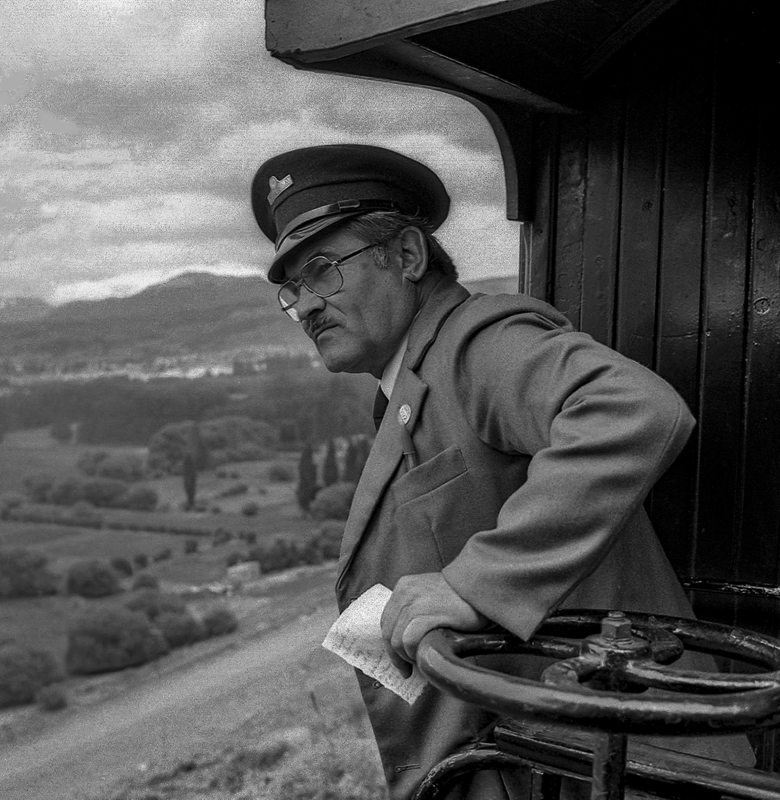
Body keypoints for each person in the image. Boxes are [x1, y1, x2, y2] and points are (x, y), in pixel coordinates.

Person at [250, 144, 753, 799]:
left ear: (407, 255)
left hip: (625, 763)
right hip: (555, 754)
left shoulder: (474, 346)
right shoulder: (412, 385)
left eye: (322, 271)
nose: (307, 306)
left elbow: (633, 410)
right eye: (293, 291)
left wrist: (475, 585)